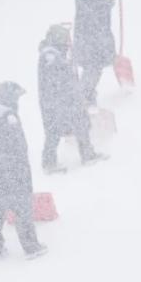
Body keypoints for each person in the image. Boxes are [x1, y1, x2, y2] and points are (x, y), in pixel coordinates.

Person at [0, 81, 48, 261]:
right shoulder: (9, 117)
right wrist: (19, 173)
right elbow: (17, 147)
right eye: (16, 97)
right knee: (22, 208)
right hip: (11, 172)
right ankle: (31, 247)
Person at [38, 24, 107, 173]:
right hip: (61, 102)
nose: (66, 45)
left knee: (60, 130)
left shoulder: (52, 53)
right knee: (62, 129)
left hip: (59, 102)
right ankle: (83, 156)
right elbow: (58, 78)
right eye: (64, 42)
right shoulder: (50, 55)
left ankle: (52, 161)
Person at [73, 0, 124, 106]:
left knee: (96, 67)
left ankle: (86, 96)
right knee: (92, 67)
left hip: (96, 35)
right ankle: (82, 98)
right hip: (88, 36)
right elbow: (93, 9)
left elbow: (103, 6)